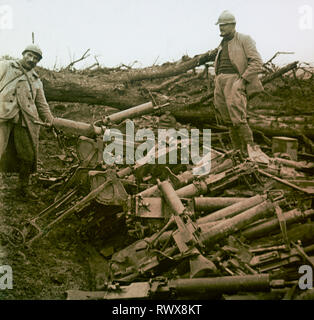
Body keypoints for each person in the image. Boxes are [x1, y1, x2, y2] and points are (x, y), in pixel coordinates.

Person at [0, 44, 54, 199]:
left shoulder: (36, 80)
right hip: (3, 116)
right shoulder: (5, 66)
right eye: (29, 55)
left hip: (26, 120)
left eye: (36, 58)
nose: (32, 60)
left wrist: (51, 121)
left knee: (28, 155)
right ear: (23, 54)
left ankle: (24, 188)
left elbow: (42, 104)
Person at [213, 10, 264, 157]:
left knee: (238, 116)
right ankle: (237, 152)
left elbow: (257, 62)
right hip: (220, 81)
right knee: (227, 118)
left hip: (235, 79)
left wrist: (242, 80)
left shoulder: (244, 39)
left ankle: (250, 151)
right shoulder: (222, 44)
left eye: (224, 25)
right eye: (220, 25)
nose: (221, 28)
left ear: (233, 25)